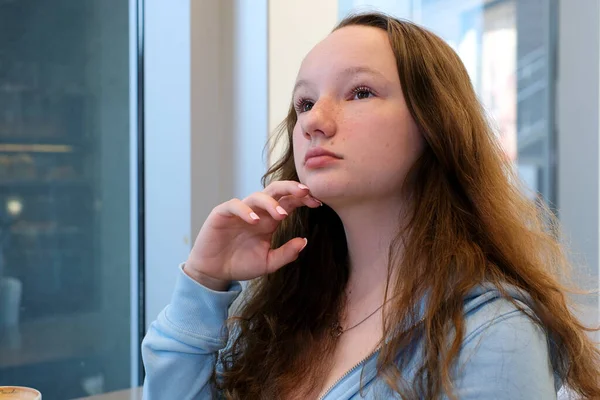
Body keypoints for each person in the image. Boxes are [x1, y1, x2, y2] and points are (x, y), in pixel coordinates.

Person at [141, 12, 600, 399]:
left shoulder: (493, 336)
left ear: (434, 124)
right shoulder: (280, 314)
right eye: (304, 102)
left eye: (360, 92)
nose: (314, 122)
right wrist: (204, 280)